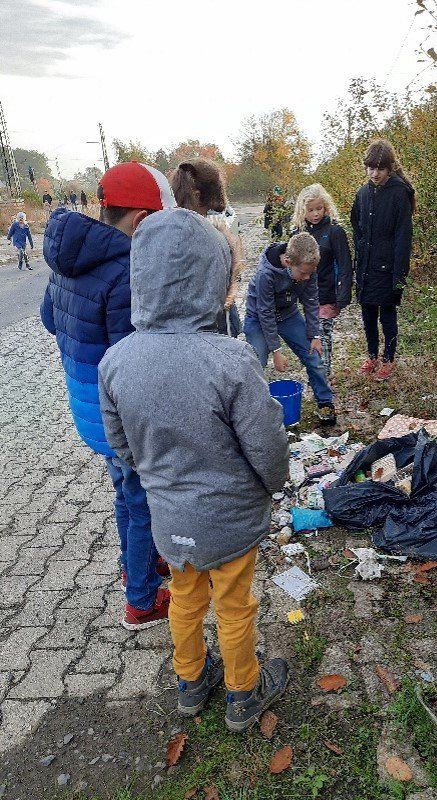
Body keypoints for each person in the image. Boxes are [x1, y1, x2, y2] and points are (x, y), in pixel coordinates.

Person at [98, 208, 290, 729]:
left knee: (184, 599)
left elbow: (121, 447)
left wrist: (158, 476)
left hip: (169, 519)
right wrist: (275, 483)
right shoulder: (231, 359)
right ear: (212, 279)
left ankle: (190, 681)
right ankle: (243, 691)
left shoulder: (115, 362)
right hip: (231, 518)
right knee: (234, 604)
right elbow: (267, 444)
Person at [40, 162, 177, 629]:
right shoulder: (126, 270)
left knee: (124, 490)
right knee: (141, 503)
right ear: (141, 221)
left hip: (85, 401)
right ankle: (141, 599)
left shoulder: (68, 257)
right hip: (117, 410)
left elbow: (49, 319)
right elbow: (131, 360)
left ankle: (135, 564)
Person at [244, 231, 337, 425]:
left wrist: (315, 335)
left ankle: (325, 402)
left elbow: (311, 301)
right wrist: (276, 350)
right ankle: (254, 409)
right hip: (258, 318)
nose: (307, 277)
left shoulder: (307, 267)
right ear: (287, 262)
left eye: (310, 273)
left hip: (288, 315)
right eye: (303, 273)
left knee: (314, 357)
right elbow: (265, 312)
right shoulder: (265, 274)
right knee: (257, 362)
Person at [351, 139, 415, 380]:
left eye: (380, 169)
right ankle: (372, 356)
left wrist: (399, 275)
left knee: (387, 315)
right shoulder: (363, 193)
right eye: (371, 168)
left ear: (389, 168)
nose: (374, 174)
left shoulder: (399, 193)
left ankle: (388, 359)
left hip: (389, 268)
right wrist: (360, 255)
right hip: (366, 266)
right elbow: (356, 227)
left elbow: (403, 237)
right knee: (368, 314)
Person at [170, 159, 243, 337]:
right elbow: (235, 261)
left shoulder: (166, 226)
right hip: (213, 320)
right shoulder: (216, 227)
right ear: (198, 195)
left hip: (185, 324)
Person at [291, 183, 352, 376]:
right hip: (306, 295)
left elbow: (345, 264)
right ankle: (317, 371)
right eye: (310, 210)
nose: (316, 214)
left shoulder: (334, 231)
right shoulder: (298, 233)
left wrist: (343, 294)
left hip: (327, 293)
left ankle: (322, 375)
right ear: (303, 211)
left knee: (323, 334)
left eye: (319, 208)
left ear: (326, 207)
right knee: (311, 334)